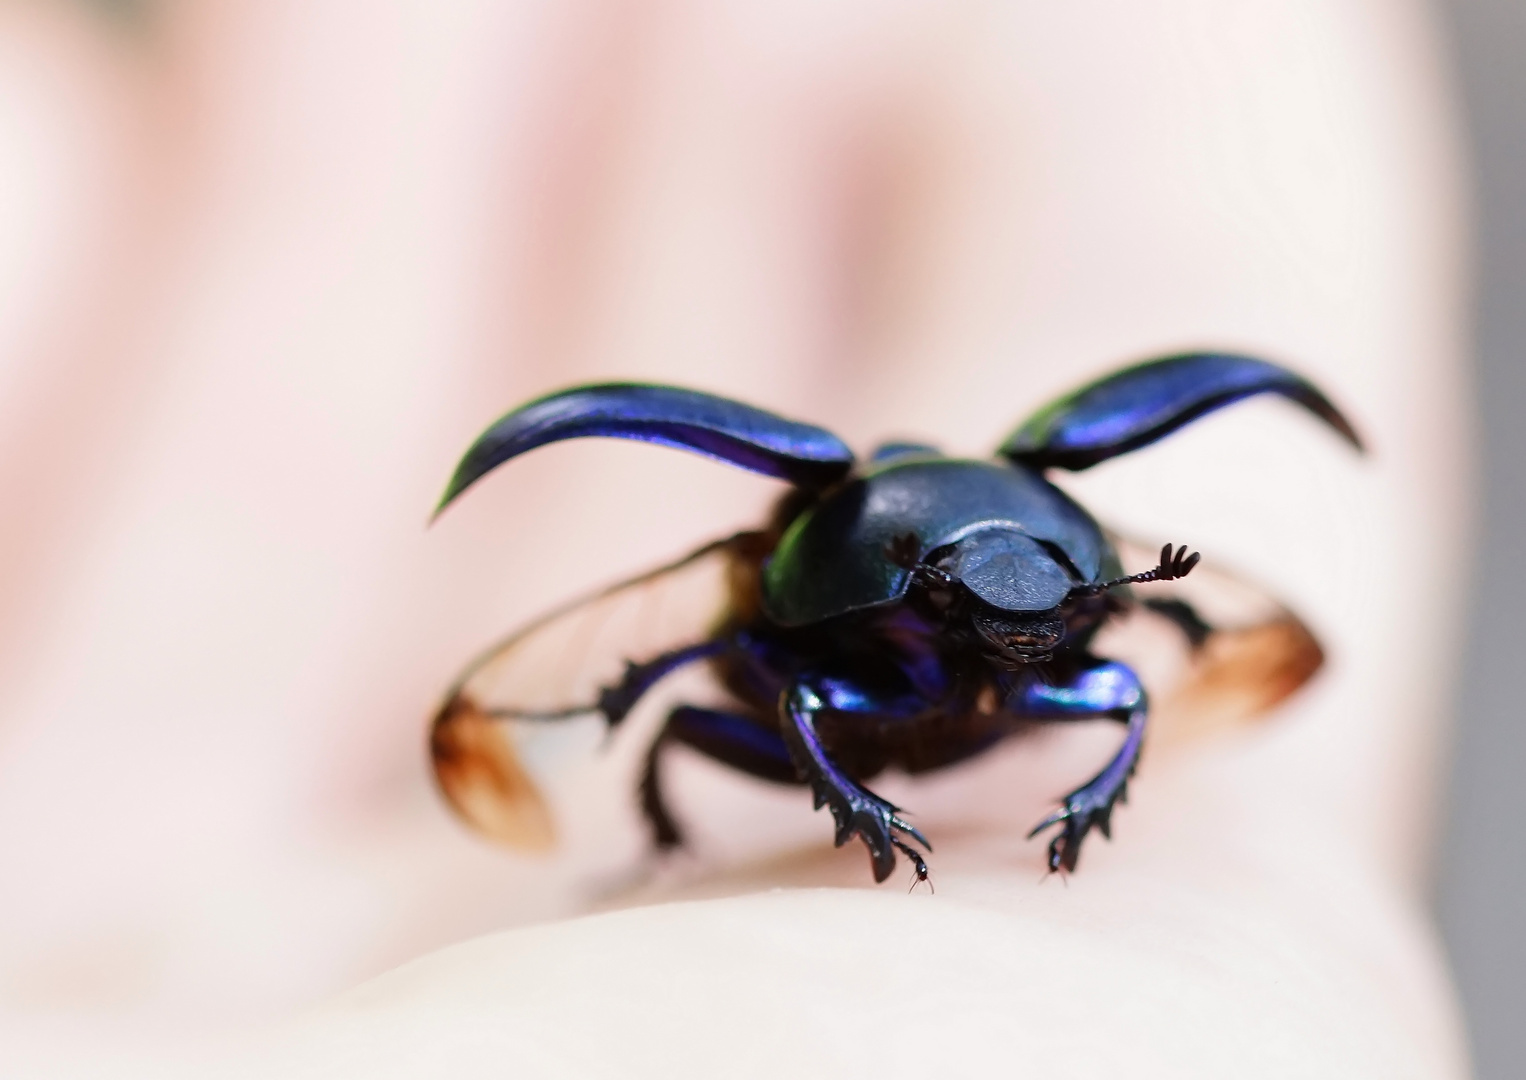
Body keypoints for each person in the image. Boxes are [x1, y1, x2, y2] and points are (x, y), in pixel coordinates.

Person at [0, 1, 1471, 1075]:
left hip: (916, 791)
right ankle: (702, 830)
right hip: (827, 730)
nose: (1035, 627)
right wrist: (859, 812)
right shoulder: (802, 604)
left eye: (1066, 595)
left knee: (1127, 682)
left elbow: (1160, 671)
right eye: (985, 596)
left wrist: (1100, 788)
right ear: (880, 574)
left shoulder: (1077, 615)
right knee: (688, 709)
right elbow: (693, 668)